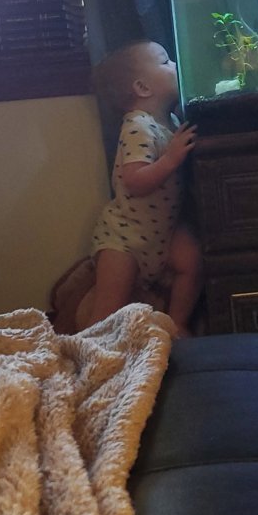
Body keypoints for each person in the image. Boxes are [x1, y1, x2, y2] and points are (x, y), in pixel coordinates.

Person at [75, 39, 203, 336]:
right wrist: (171, 159)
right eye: (165, 61)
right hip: (125, 238)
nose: (175, 65)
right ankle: (92, 345)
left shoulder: (170, 120)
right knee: (108, 310)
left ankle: (177, 322)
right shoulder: (138, 126)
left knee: (193, 260)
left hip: (162, 234)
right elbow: (134, 181)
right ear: (143, 88)